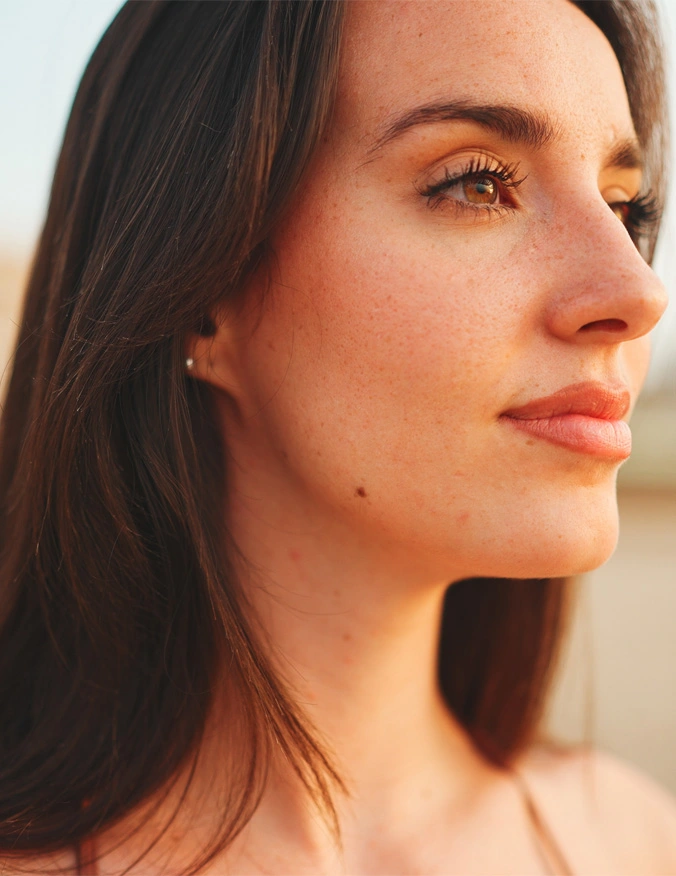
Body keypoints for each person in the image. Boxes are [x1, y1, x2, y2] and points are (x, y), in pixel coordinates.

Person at [1, 0, 675, 873]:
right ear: (204, 286)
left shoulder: (635, 843)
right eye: (478, 182)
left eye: (625, 207)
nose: (635, 291)